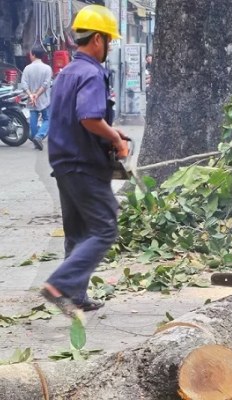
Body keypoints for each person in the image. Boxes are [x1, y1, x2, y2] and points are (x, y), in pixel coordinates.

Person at [41, 4, 128, 317]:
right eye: (109, 41)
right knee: (105, 228)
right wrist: (116, 139)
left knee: (77, 232)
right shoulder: (91, 72)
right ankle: (60, 284)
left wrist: (111, 132)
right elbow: (89, 117)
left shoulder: (67, 73)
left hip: (63, 163)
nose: (108, 47)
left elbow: (75, 118)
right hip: (84, 165)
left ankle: (75, 294)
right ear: (97, 40)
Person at [22, 45, 53, 151]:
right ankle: (39, 137)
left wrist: (31, 95)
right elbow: (46, 84)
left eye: (30, 54)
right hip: (44, 99)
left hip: (32, 100)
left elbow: (24, 84)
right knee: (47, 119)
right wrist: (37, 95)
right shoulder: (47, 68)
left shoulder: (27, 68)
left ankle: (36, 139)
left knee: (33, 120)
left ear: (34, 55)